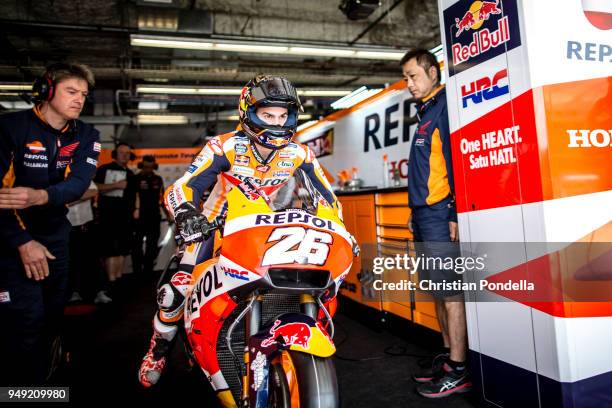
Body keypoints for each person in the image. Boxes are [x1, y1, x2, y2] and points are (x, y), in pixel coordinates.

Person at [138, 75, 342, 387]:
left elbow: (329, 198)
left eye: (282, 115)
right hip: (211, 229)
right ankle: (159, 348)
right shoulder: (224, 147)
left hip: (260, 229)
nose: (276, 122)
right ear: (248, 113)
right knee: (174, 293)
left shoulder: (299, 154)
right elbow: (182, 188)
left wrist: (337, 226)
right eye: (267, 114)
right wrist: (187, 215)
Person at [0, 62, 99, 385]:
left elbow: (78, 185)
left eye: (83, 94)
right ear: (46, 90)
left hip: (56, 237)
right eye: (72, 91)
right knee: (23, 320)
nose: (79, 100)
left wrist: (39, 196)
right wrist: (22, 242)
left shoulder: (86, 135)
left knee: (51, 317)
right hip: (11, 238)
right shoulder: (9, 128)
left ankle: (44, 382)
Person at [401, 48, 470, 397]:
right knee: (438, 291)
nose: (408, 83)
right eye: (406, 78)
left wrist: (456, 213)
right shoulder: (425, 112)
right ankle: (447, 358)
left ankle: (459, 369)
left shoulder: (445, 108)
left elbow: (458, 162)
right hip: (424, 215)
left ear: (432, 71)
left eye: (413, 76)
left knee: (451, 292)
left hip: (441, 214)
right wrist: (415, 213)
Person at [94, 142, 136, 293]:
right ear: (115, 154)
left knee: (123, 249)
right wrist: (115, 185)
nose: (125, 155)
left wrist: (135, 210)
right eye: (122, 152)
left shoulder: (131, 173)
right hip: (109, 216)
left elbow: (133, 195)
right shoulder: (104, 169)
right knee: (111, 249)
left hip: (126, 217)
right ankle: (110, 282)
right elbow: (94, 187)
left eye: (127, 153)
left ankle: (117, 281)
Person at [132, 155, 165, 276]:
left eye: (151, 167)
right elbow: (132, 197)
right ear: (142, 165)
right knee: (136, 245)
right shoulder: (135, 178)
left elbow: (162, 199)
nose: (148, 169)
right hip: (139, 217)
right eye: (146, 167)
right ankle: (137, 271)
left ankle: (148, 272)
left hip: (154, 217)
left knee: (152, 245)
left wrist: (169, 215)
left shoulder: (158, 179)